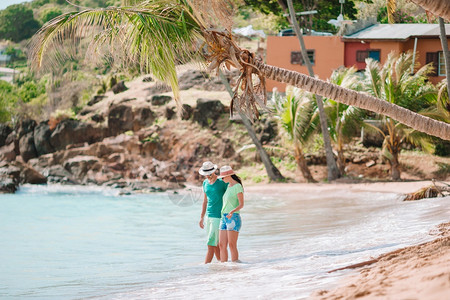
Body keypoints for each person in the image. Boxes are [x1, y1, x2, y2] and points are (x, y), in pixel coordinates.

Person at [199, 161, 228, 264]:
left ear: (213, 172)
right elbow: (205, 201)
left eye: (208, 173)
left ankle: (204, 267)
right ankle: (222, 264)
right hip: (208, 216)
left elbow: (230, 195)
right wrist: (202, 217)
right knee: (214, 244)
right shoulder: (205, 183)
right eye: (205, 174)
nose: (206, 176)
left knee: (210, 244)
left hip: (218, 216)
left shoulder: (222, 182)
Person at [218, 165, 244, 262]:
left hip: (233, 217)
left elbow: (241, 204)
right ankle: (224, 268)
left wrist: (232, 211)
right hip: (224, 217)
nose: (222, 179)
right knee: (221, 245)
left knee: (232, 245)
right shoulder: (228, 186)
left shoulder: (237, 186)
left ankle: (235, 267)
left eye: (223, 177)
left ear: (229, 176)